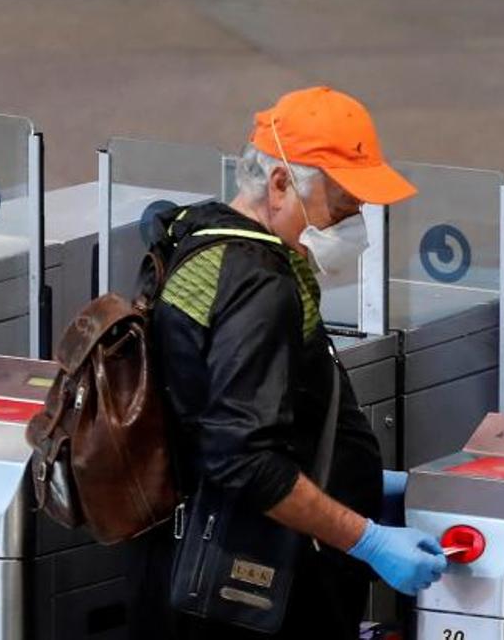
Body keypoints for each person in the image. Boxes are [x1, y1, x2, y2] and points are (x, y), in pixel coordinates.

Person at [127, 86, 446, 639]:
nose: (354, 221)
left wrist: (361, 479)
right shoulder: (258, 286)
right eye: (343, 202)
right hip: (247, 596)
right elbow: (244, 460)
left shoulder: (197, 236)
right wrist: (366, 537)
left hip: (187, 566)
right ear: (280, 185)